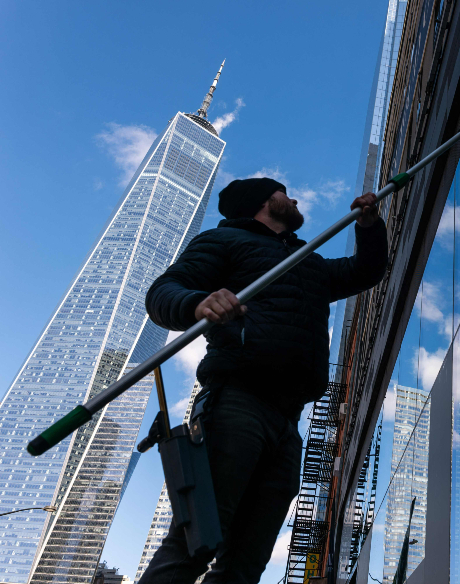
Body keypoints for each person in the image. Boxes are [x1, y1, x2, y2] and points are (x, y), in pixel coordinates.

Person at [139, 177, 388, 583]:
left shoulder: (307, 260)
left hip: (288, 424)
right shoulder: (224, 242)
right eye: (282, 192)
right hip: (238, 403)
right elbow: (162, 292)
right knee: (197, 543)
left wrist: (369, 226)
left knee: (245, 565)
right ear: (262, 201)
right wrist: (197, 302)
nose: (292, 197)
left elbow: (366, 270)